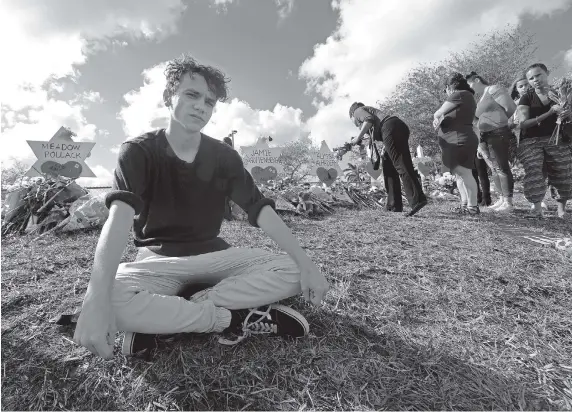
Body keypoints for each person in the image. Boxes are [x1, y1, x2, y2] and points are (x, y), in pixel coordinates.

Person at [72, 54, 329, 359]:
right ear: (169, 98)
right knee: (107, 298)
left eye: (209, 101)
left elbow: (259, 209)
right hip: (158, 261)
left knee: (293, 269)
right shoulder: (138, 151)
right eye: (192, 95)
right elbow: (118, 220)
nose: (201, 106)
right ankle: (230, 318)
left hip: (216, 257)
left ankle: (173, 315)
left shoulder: (224, 156)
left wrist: (308, 265)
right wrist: (95, 299)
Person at [349, 102, 427, 216]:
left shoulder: (357, 111)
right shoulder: (373, 118)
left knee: (401, 165)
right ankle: (393, 205)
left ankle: (417, 200)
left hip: (390, 127)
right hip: (397, 127)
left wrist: (357, 138)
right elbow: (375, 131)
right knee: (389, 166)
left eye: (354, 122)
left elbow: (369, 119)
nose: (357, 125)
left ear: (351, 115)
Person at [517, 63, 572, 218]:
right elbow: (523, 123)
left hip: (557, 140)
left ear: (547, 73)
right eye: (531, 78)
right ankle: (537, 208)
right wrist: (549, 113)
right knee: (534, 172)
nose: (536, 80)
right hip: (531, 141)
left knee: (563, 172)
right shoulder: (526, 98)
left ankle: (561, 210)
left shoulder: (561, 93)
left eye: (538, 75)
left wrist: (567, 114)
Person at [466, 71, 517, 212]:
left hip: (498, 133)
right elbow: (477, 121)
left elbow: (510, 108)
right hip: (485, 136)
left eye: (469, 83)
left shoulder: (493, 89)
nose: (469, 87)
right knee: (494, 168)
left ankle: (508, 202)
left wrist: (499, 123)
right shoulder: (480, 98)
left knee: (502, 166)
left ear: (476, 80)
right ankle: (501, 199)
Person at [433, 73, 480, 215]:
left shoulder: (459, 94)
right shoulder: (465, 96)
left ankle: (473, 207)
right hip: (457, 138)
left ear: (449, 86)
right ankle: (465, 204)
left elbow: (438, 112)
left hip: (459, 138)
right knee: (459, 174)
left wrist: (436, 118)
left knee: (464, 172)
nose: (445, 93)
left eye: (445, 89)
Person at [508, 75, 549, 211]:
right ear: (516, 90)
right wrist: (514, 123)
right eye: (521, 86)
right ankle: (535, 200)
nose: (525, 88)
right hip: (522, 138)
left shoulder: (539, 98)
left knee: (543, 168)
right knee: (532, 168)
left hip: (542, 137)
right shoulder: (514, 104)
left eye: (526, 84)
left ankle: (540, 198)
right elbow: (508, 123)